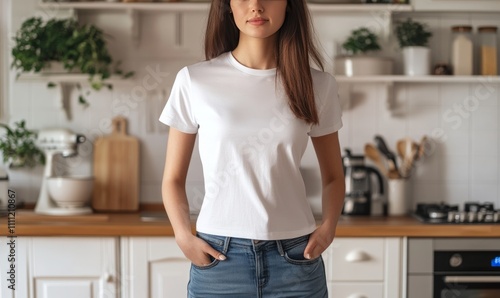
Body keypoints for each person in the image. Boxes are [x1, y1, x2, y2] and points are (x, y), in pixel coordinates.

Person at [160, 0, 345, 297]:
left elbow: (334, 176)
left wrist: (329, 227)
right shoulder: (195, 81)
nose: (256, 6)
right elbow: (172, 179)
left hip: (296, 259)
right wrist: (183, 236)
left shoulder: (317, 85)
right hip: (219, 259)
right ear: (228, 7)